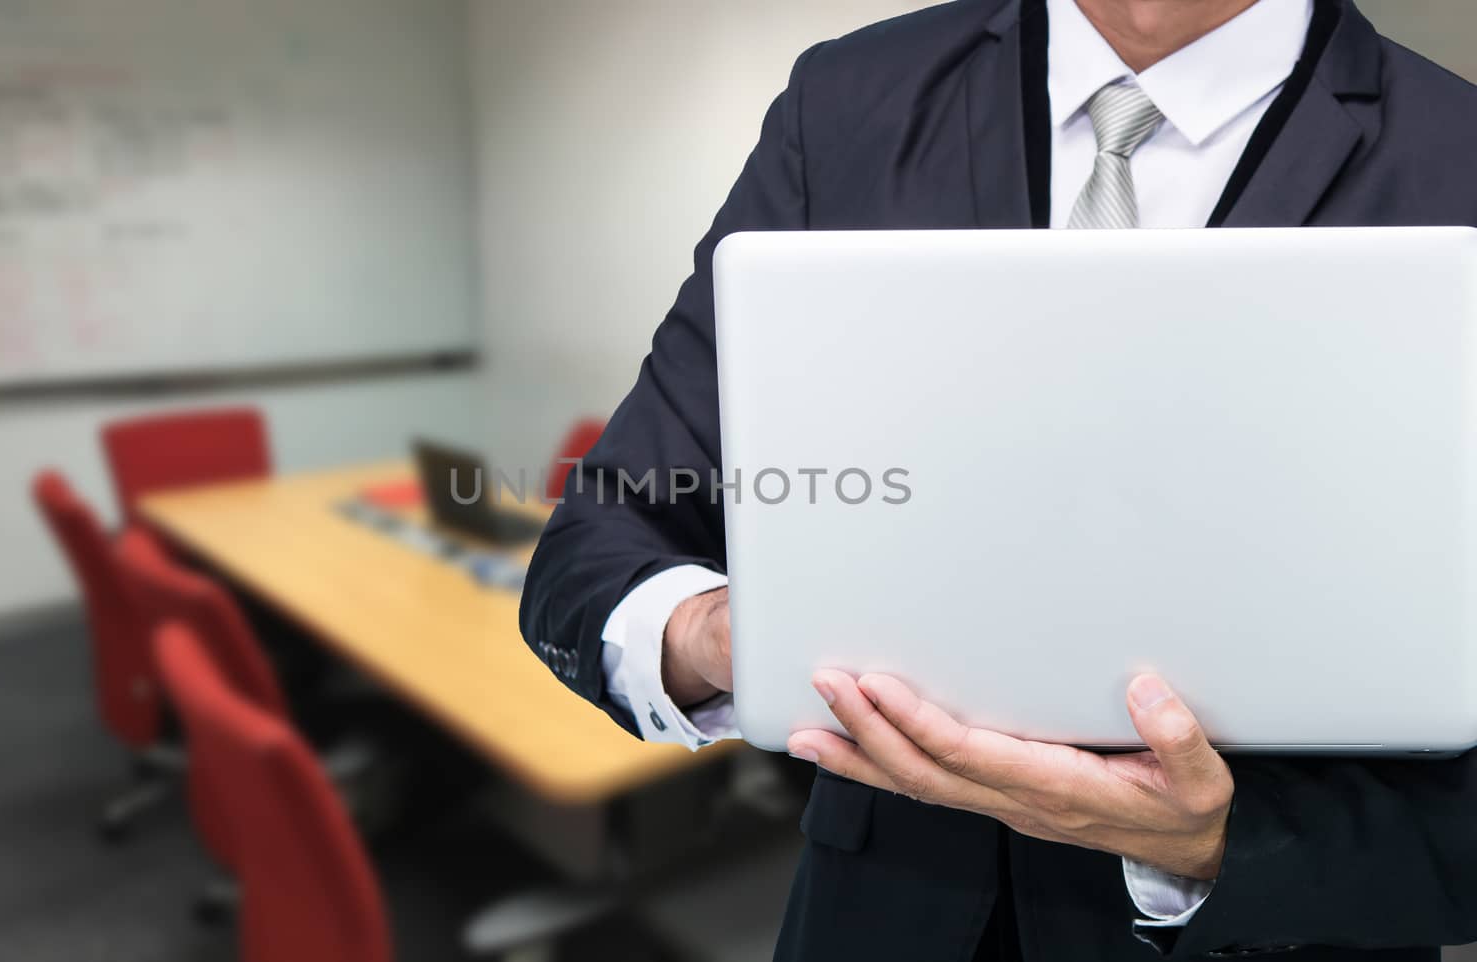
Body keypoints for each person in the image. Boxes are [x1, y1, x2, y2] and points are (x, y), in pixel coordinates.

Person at [519, 0, 1477, 959]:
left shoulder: (1456, 149)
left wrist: (1217, 841)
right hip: (880, 921)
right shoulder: (848, 102)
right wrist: (724, 639)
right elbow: (604, 540)